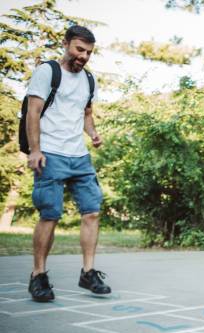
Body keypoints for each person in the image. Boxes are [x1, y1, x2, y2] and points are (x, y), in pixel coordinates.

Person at [26, 25, 110, 302]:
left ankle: (88, 272)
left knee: (92, 211)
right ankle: (38, 275)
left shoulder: (88, 80)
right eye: (79, 49)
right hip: (50, 153)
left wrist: (93, 133)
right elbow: (33, 113)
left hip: (79, 156)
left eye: (88, 52)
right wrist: (35, 150)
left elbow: (86, 113)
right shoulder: (48, 72)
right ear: (66, 44)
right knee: (50, 214)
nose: (83, 56)